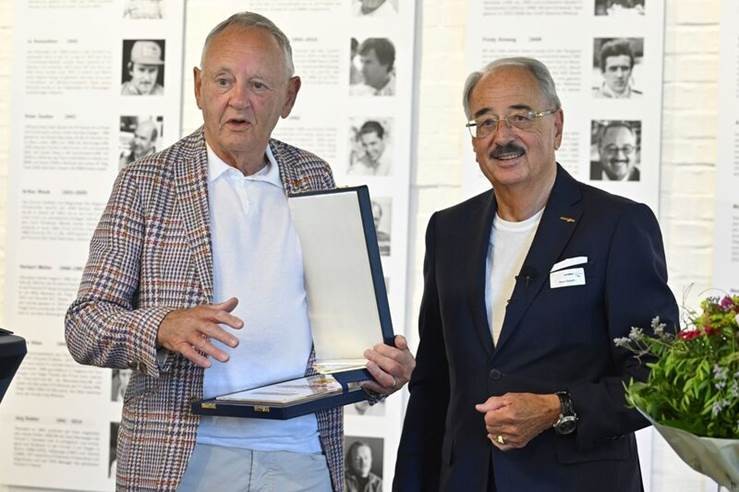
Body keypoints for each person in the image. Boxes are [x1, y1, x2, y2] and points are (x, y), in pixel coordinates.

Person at [66, 12, 414, 491]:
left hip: (301, 454)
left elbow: (343, 332)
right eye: (223, 80)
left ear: (289, 96)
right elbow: (84, 324)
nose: (238, 99)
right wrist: (162, 326)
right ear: (198, 86)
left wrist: (379, 367)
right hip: (185, 456)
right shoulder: (146, 183)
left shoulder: (314, 177)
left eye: (259, 85)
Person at [393, 57, 678, 491]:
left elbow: (658, 378)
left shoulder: (618, 225)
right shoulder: (448, 230)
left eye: (521, 117)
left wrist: (560, 408)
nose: (502, 136)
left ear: (557, 126)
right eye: (485, 122)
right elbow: (433, 384)